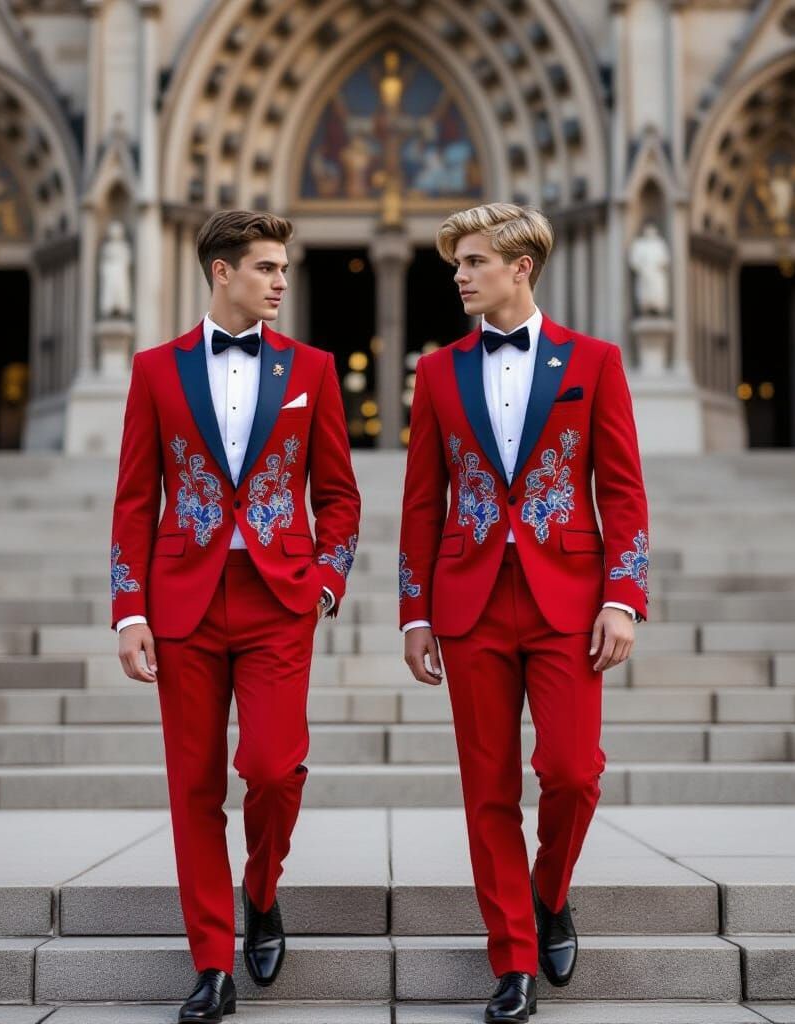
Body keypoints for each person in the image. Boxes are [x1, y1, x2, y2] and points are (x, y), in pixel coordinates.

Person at [399, 202, 649, 1023]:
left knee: (573, 773)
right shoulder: (436, 374)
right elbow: (420, 504)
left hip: (568, 602)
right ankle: (512, 962)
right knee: (489, 790)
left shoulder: (596, 362)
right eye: (457, 265)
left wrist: (623, 596)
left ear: (521, 268)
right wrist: (415, 612)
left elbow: (621, 489)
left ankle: (548, 895)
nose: (460, 277)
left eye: (472, 262)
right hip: (469, 602)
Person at [110, 209, 361, 1023]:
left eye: (284, 268)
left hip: (278, 598)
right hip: (182, 599)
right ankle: (212, 964)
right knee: (192, 786)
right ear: (221, 272)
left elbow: (340, 498)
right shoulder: (154, 371)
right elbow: (133, 502)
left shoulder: (314, 370)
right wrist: (128, 610)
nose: (281, 281)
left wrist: (327, 579)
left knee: (274, 767)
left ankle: (261, 886)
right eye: (266, 268)